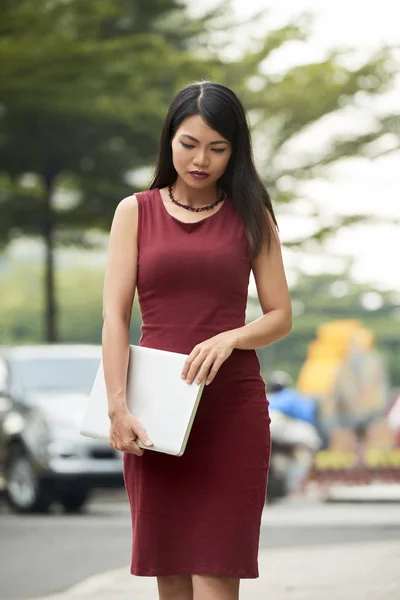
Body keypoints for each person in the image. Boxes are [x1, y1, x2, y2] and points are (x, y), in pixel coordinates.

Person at [102, 81, 292, 600]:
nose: (201, 159)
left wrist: (231, 338)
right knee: (172, 572)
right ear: (169, 140)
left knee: (215, 574)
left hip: (232, 412)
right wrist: (117, 407)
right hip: (155, 411)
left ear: (236, 150)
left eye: (218, 147)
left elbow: (280, 316)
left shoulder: (252, 216)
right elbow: (115, 317)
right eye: (189, 144)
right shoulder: (133, 212)